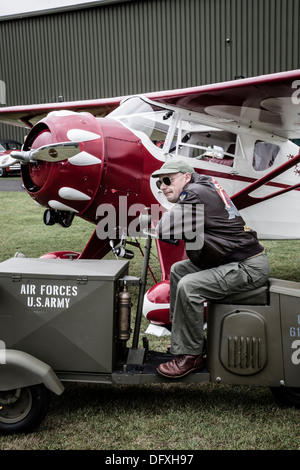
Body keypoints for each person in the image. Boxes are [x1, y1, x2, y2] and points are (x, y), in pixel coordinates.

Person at [151, 159, 270, 378]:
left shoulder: (193, 193)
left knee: (189, 286)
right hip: (234, 259)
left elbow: (164, 229)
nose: (163, 187)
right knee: (179, 271)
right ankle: (183, 342)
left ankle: (192, 355)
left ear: (186, 177)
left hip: (247, 266)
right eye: (160, 183)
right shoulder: (204, 185)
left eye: (168, 180)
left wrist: (164, 218)